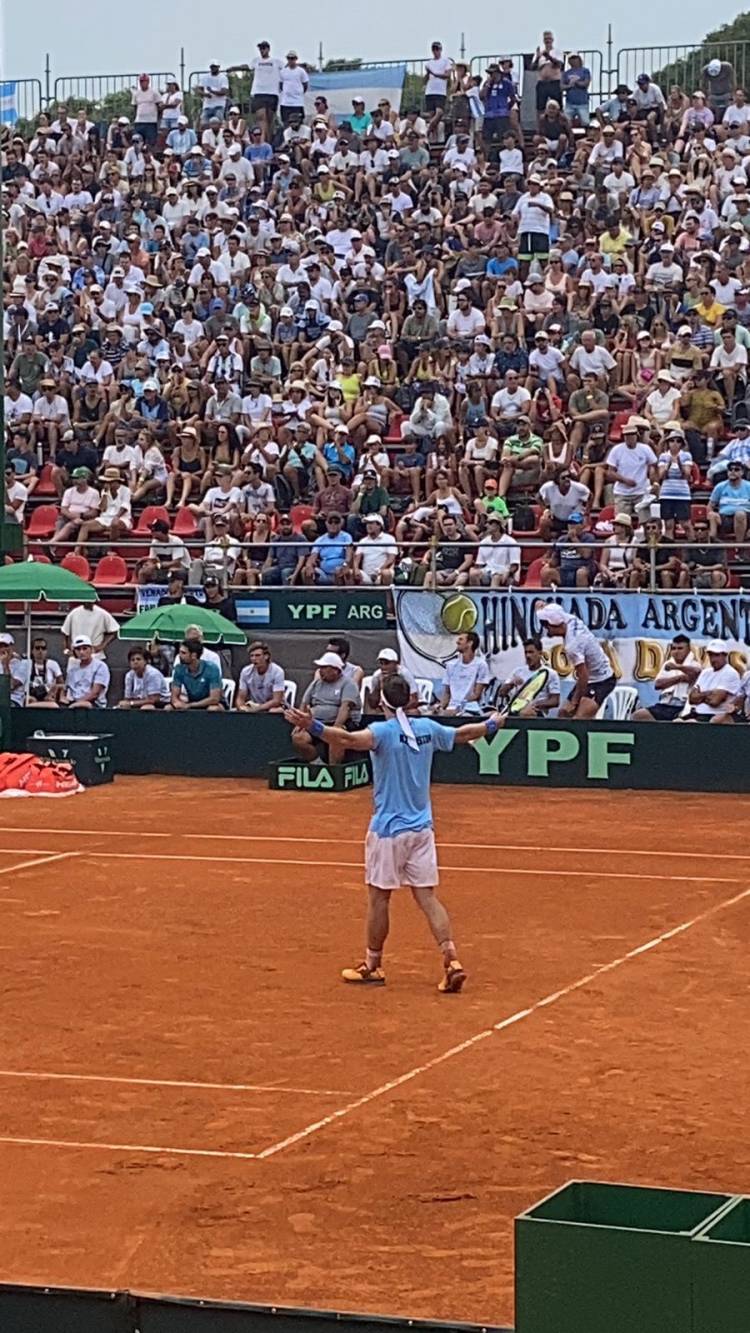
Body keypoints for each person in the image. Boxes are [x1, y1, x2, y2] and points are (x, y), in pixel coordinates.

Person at [285, 673, 507, 991]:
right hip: (422, 831)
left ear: (381, 701)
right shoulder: (428, 729)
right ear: (410, 699)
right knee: (428, 898)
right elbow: (462, 734)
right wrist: (492, 724)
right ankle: (452, 959)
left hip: (388, 832)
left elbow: (345, 740)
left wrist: (313, 726)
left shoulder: (382, 733)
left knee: (379, 899)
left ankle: (373, 966)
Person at [537, 603, 616, 718]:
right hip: (589, 678)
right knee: (562, 714)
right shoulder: (570, 619)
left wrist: (574, 702)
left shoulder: (572, 646)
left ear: (555, 625)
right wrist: (541, 607)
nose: (544, 628)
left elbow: (584, 676)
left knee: (579, 719)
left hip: (602, 680)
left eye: (545, 625)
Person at [291, 650, 362, 764]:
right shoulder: (316, 683)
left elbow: (345, 708)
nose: (320, 670)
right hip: (316, 723)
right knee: (298, 738)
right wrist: (300, 723)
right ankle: (318, 765)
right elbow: (304, 703)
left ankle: (333, 771)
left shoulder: (348, 684)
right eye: (320, 667)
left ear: (335, 670)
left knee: (336, 738)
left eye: (324, 667)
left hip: (342, 722)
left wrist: (336, 727)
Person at [632, 635, 701, 722]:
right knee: (638, 716)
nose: (676, 651)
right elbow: (658, 684)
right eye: (674, 648)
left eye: (680, 648)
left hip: (685, 706)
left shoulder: (694, 664)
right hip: (666, 704)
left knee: (681, 721)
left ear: (688, 650)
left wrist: (677, 667)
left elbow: (696, 673)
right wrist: (680, 678)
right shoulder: (668, 664)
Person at [497, 637, 561, 717]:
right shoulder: (517, 671)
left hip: (536, 712)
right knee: (491, 714)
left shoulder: (550, 674)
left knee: (525, 713)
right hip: (514, 708)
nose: (528, 655)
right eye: (526, 652)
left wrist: (536, 704)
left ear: (540, 653)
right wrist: (511, 683)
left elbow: (555, 701)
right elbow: (501, 693)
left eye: (531, 652)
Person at [684, 641, 741, 722]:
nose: (713, 659)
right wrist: (710, 693)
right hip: (698, 714)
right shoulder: (705, 672)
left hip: (715, 716)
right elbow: (692, 699)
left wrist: (700, 695)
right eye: (711, 655)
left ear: (725, 655)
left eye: (717, 655)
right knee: (678, 722)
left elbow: (715, 701)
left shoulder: (730, 672)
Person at [435, 631, 490, 715]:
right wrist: (440, 707)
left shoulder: (481, 665)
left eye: (461, 639)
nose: (457, 642)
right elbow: (447, 693)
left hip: (471, 708)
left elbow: (476, 695)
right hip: (451, 708)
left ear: (470, 643)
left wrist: (459, 707)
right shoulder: (451, 665)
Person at [168, 638, 222, 711]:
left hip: (211, 703)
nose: (179, 655)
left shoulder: (212, 668)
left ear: (193, 655)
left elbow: (214, 699)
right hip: (191, 702)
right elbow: (174, 696)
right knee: (168, 708)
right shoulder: (179, 668)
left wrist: (190, 705)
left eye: (183, 653)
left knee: (212, 709)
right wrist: (177, 703)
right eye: (179, 652)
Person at [60, 636, 110, 709]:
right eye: (78, 649)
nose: (81, 652)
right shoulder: (72, 670)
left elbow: (95, 694)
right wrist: (62, 697)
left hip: (94, 705)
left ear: (91, 649)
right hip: (73, 703)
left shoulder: (100, 666)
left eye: (84, 648)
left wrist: (76, 703)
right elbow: (66, 689)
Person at [236, 640, 286, 712]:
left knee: (273, 711)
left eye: (257, 655)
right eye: (251, 656)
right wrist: (241, 708)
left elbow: (276, 700)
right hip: (254, 706)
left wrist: (257, 709)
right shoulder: (245, 671)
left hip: (276, 707)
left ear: (266, 656)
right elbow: (240, 697)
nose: (253, 658)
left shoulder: (277, 671)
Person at [366, 647, 419, 713]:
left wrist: (398, 711)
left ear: (396, 663)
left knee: (414, 712)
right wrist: (378, 687)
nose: (383, 667)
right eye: (381, 663)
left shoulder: (405, 674)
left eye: (386, 663)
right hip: (386, 708)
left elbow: (414, 700)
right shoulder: (377, 676)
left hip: (404, 708)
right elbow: (373, 705)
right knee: (373, 712)